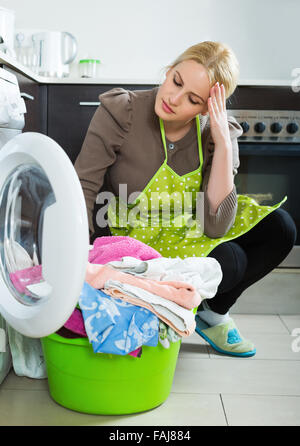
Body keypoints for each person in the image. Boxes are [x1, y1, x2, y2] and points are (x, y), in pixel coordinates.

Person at [74, 41, 297, 357]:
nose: (173, 99)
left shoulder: (218, 133)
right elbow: (83, 184)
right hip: (137, 243)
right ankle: (179, 301)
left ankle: (212, 313)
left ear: (207, 107)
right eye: (176, 81)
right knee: (231, 259)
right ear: (169, 71)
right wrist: (76, 262)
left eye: (192, 99)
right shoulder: (121, 112)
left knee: (280, 227)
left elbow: (216, 225)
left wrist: (221, 144)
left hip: (194, 234)